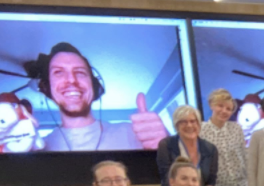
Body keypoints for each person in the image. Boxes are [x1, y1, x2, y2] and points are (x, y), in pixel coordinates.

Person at [35, 42, 166, 152]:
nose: (71, 80)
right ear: (48, 87)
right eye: (58, 72)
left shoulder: (134, 134)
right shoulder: (39, 149)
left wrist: (166, 151)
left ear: (93, 85)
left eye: (80, 72)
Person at [201, 88, 251, 186]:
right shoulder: (201, 130)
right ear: (211, 105)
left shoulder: (236, 128)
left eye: (229, 109)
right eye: (220, 106)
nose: (224, 111)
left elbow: (244, 157)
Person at [156, 104, 218, 186]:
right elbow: (168, 181)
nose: (189, 125)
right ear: (176, 126)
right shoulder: (166, 145)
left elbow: (210, 184)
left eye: (193, 121)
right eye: (183, 122)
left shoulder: (210, 149)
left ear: (198, 124)